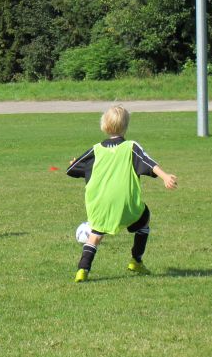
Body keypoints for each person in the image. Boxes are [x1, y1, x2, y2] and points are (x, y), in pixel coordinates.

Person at [66, 105, 178, 282]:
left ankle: (82, 270)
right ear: (126, 126)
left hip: (99, 205)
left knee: (95, 235)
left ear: (104, 125)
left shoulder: (96, 149)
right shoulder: (131, 147)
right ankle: (136, 260)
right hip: (125, 204)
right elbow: (148, 162)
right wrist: (165, 176)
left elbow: (72, 169)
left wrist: (75, 163)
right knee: (144, 218)